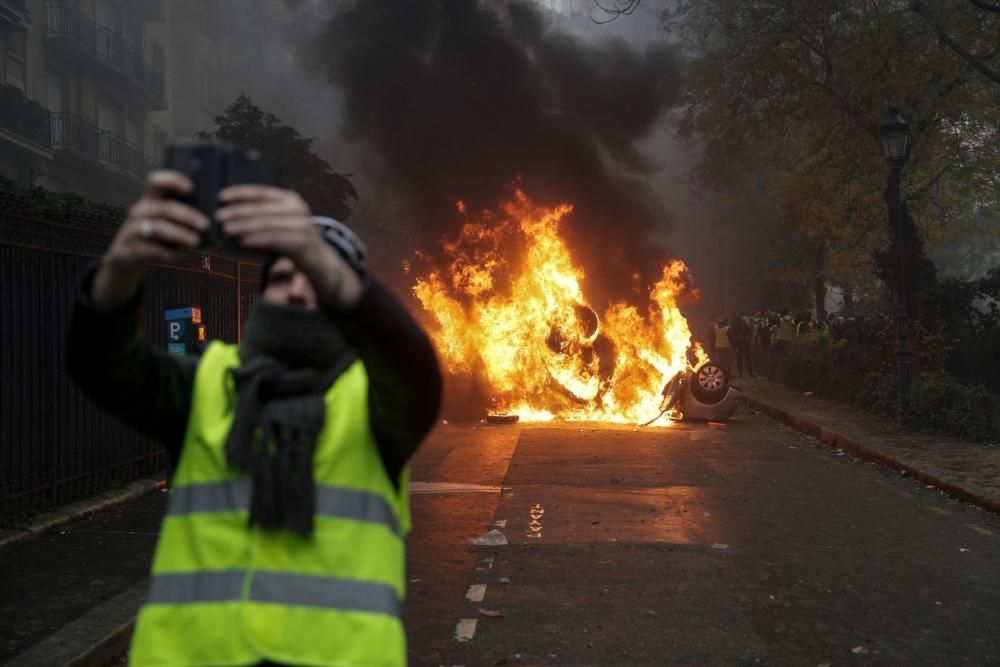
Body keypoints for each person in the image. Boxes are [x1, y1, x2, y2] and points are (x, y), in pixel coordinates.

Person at [67, 170, 442, 667]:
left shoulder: (373, 405)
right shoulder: (205, 386)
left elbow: (415, 369)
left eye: (317, 279)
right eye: (283, 277)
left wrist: (318, 258)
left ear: (347, 304)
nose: (298, 289)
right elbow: (101, 365)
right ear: (262, 298)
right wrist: (120, 267)